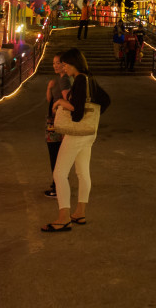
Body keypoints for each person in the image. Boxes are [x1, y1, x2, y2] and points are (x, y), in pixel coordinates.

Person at [43, 48, 107, 232]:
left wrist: (60, 103)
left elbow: (77, 113)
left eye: (64, 64)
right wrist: (93, 116)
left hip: (77, 133)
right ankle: (80, 212)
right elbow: (106, 100)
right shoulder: (89, 77)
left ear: (72, 64)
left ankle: (64, 217)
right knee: (82, 172)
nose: (63, 67)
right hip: (89, 133)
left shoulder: (79, 79)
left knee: (59, 173)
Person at [43, 54, 72, 198]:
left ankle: (58, 187)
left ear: (65, 64)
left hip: (57, 124)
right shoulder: (58, 80)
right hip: (53, 122)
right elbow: (50, 100)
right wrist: (49, 88)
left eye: (58, 63)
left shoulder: (65, 81)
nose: (55, 65)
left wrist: (59, 104)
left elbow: (67, 101)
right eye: (54, 63)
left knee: (56, 155)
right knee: (55, 154)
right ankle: (57, 184)